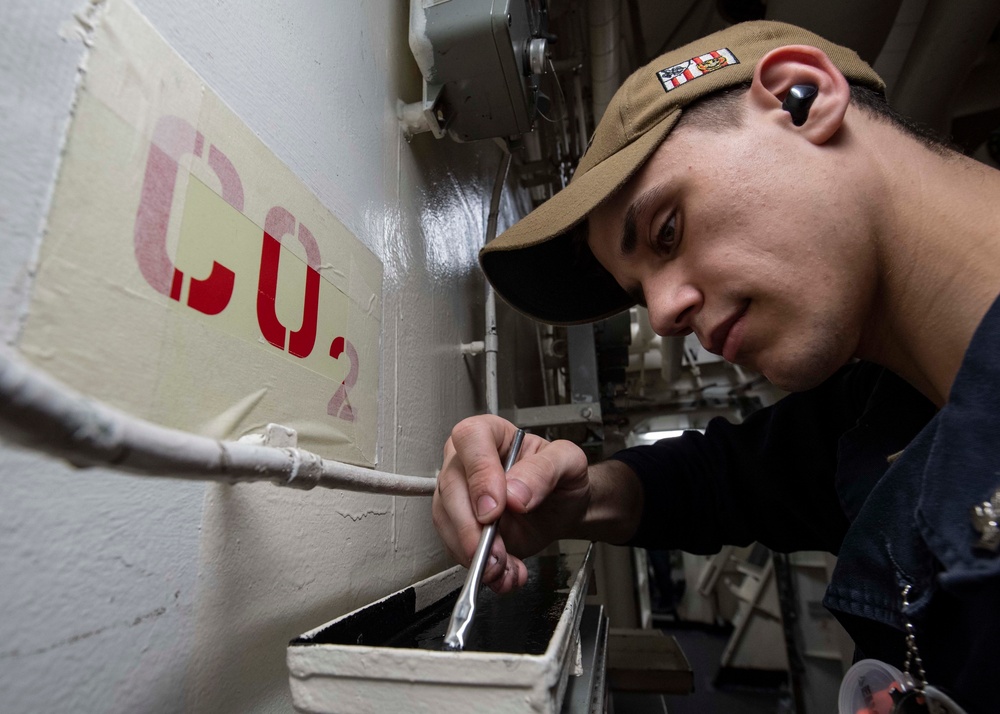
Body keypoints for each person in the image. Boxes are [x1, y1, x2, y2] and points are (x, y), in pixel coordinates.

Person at [431, 20, 1000, 713]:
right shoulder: (886, 413)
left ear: (802, 96)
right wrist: (575, 499)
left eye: (667, 231)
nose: (664, 314)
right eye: (640, 292)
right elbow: (725, 479)